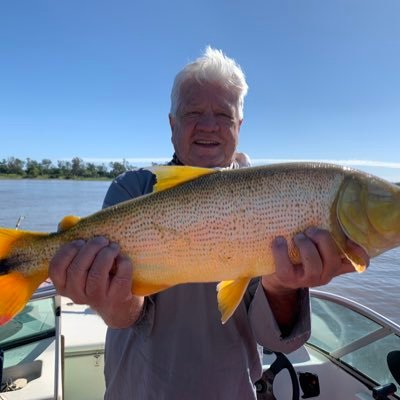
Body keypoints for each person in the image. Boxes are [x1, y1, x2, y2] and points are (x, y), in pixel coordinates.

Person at [49, 47, 369, 399]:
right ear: (172, 124)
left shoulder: (274, 198)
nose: (209, 125)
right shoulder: (132, 188)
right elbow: (124, 316)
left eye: (223, 114)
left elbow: (275, 339)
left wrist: (282, 287)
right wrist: (107, 296)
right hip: (138, 388)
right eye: (193, 113)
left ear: (239, 126)